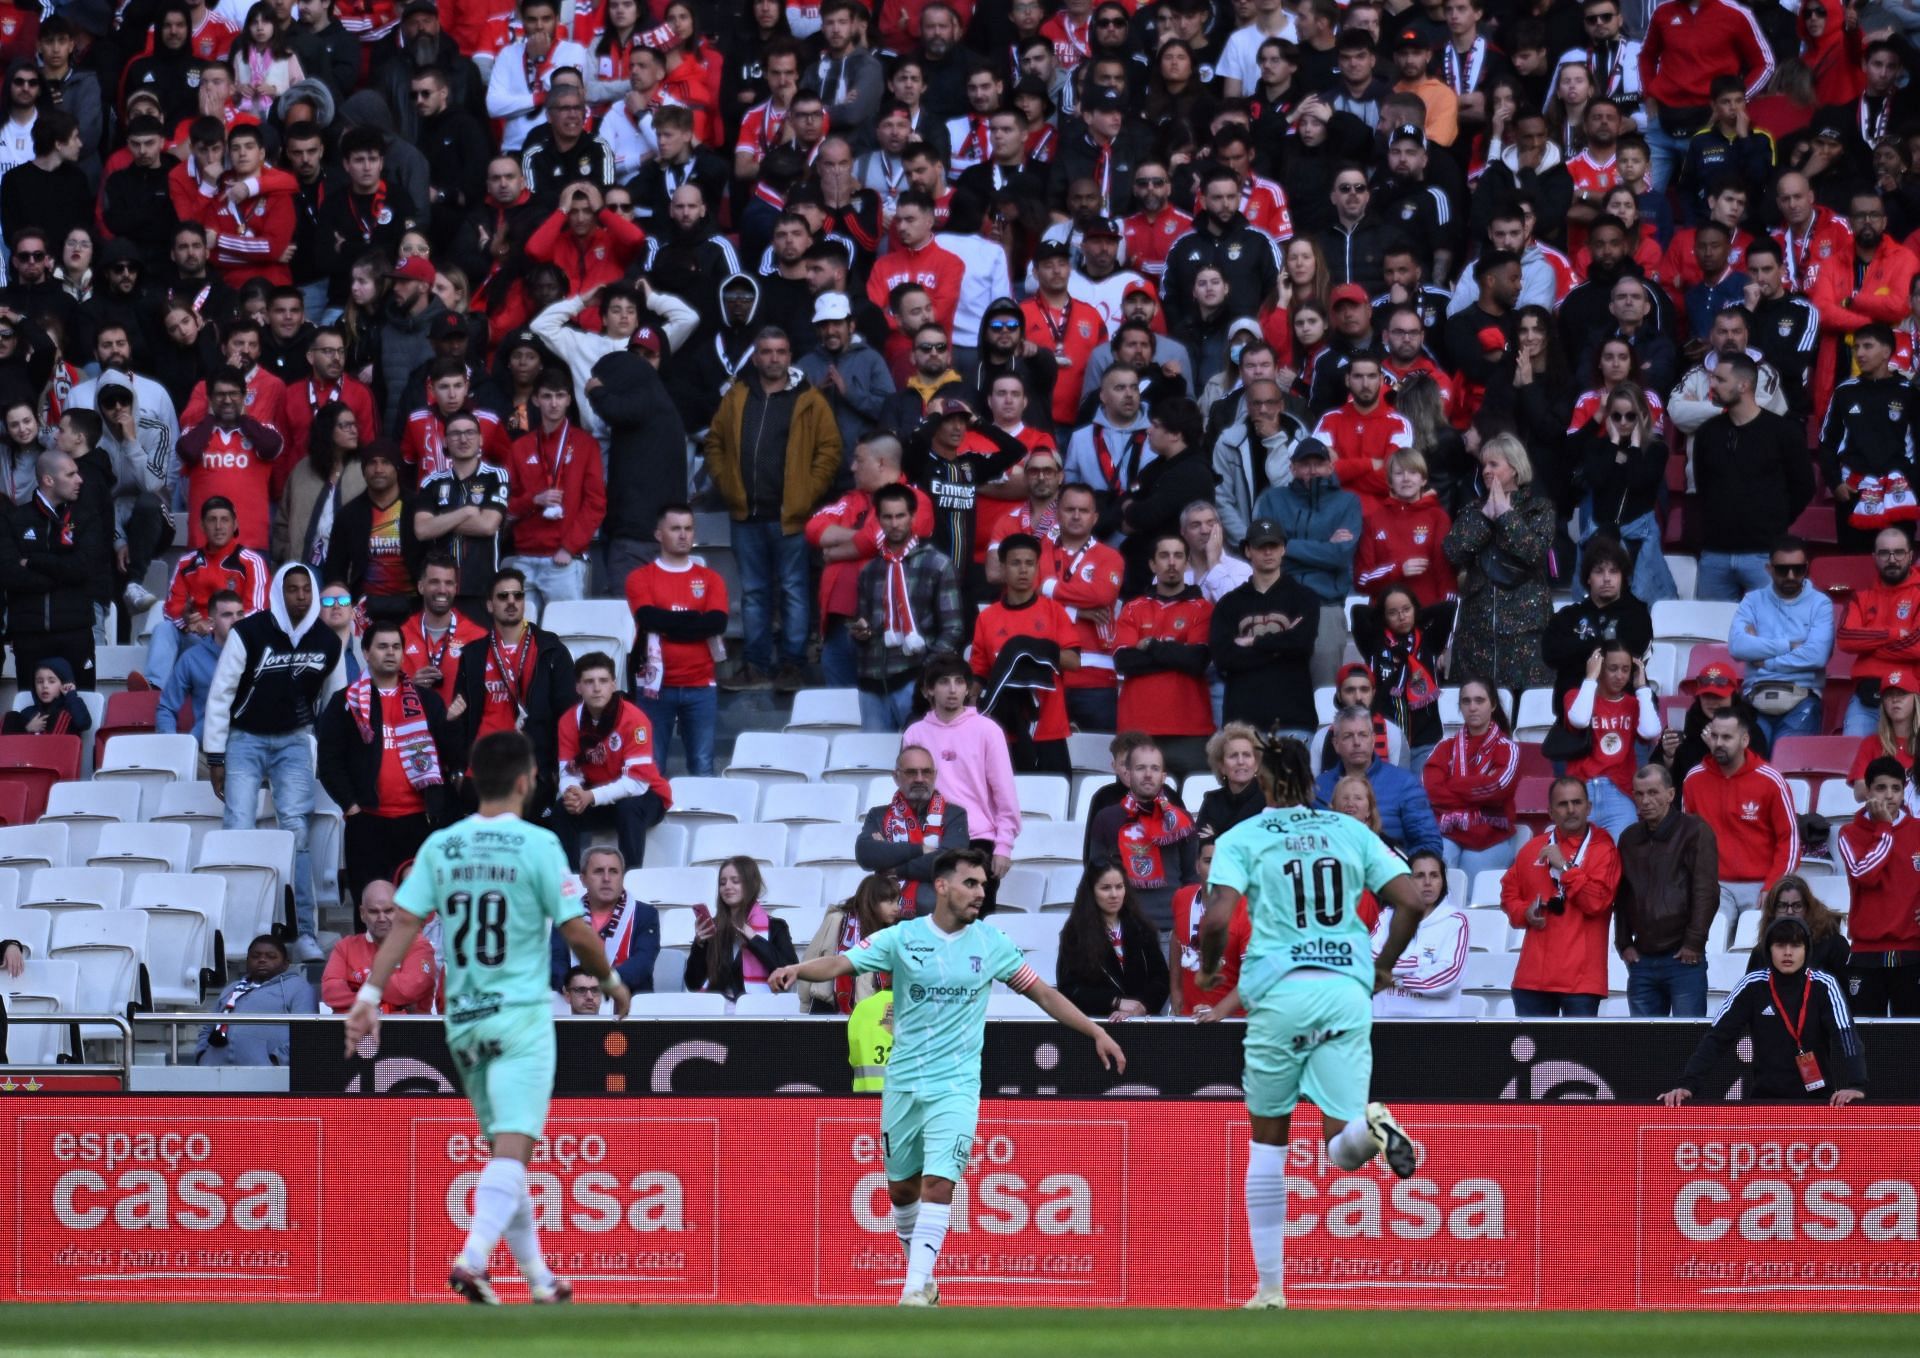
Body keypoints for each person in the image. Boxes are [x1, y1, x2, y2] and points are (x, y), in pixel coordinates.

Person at [346, 729, 633, 1305]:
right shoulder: (539, 845)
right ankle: (473, 1259)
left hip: (464, 1020)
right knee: (513, 1150)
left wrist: (370, 995)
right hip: (521, 1016)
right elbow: (577, 929)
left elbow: (404, 923)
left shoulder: (443, 845)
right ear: (527, 781)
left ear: (474, 778)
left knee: (508, 1154)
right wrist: (609, 980)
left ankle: (540, 1280)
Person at [770, 848, 1125, 1306]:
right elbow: (841, 963)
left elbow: (1042, 992)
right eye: (971, 884)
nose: (980, 893)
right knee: (902, 1190)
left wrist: (1095, 1031)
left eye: (983, 884)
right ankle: (921, 1275)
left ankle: (915, 1287)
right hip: (902, 1082)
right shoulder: (903, 938)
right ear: (942, 886)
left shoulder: (991, 943)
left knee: (940, 1183)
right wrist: (798, 967)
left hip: (956, 1085)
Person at [1196, 736, 1424, 1310]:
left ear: (1266, 782)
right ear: (1314, 783)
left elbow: (1217, 917)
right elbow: (1412, 900)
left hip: (1279, 993)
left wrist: (1208, 971)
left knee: (1268, 1142)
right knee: (1340, 1145)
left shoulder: (1241, 837)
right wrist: (1383, 965)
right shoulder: (1350, 831)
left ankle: (1270, 1289)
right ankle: (1370, 1126)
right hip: (1345, 990)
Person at [204, 564, 343, 963]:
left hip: (295, 741)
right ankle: (236, 931)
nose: (299, 596)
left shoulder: (327, 641)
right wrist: (216, 755)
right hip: (244, 738)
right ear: (279, 593)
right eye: (292, 589)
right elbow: (220, 694)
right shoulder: (249, 633)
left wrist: (328, 750)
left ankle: (304, 933)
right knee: (238, 828)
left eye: (305, 590)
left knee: (296, 832)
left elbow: (337, 702)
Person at [705, 328, 842, 690]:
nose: (773, 358)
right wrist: (727, 485)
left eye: (781, 351)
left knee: (795, 591)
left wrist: (806, 494)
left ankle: (793, 664)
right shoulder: (737, 396)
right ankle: (756, 664)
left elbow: (829, 451)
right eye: (766, 352)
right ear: (755, 357)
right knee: (753, 593)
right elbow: (715, 442)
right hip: (745, 514)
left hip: (790, 517)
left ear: (790, 355)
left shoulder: (809, 399)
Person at [315, 618, 455, 904]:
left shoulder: (427, 701)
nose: (390, 653)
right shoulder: (346, 702)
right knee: (370, 911)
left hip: (419, 821)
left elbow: (450, 756)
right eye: (382, 647)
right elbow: (329, 760)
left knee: (421, 911)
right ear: (366, 653)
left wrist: (453, 725)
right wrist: (351, 806)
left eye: (395, 647)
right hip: (368, 822)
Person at [1661, 915, 1865, 1108]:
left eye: (1795, 945)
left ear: (1806, 950)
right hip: (1764, 1100)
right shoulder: (1752, 984)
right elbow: (1717, 1037)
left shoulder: (1824, 984)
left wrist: (1856, 1085)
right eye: (1780, 945)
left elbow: (1846, 1035)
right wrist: (1687, 1084)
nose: (1787, 952)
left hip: (1818, 1102)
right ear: (1768, 950)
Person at [451, 568, 575, 820]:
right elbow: (461, 716)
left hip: (531, 769)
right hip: (481, 771)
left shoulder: (551, 651)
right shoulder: (473, 655)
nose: (511, 602)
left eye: (517, 596)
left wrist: (553, 771)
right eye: (503, 596)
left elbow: (569, 714)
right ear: (489, 604)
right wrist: (458, 774)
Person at [1692, 354, 1814, 602]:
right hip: (1715, 554)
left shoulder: (1783, 432)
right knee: (1709, 635)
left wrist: (1773, 521)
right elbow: (1703, 487)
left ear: (1744, 385)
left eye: (1720, 379)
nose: (1712, 385)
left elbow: (1804, 486)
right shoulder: (1707, 433)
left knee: (1771, 632)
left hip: (1763, 554)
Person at [1500, 776, 1622, 1017]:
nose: (1571, 810)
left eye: (1577, 802)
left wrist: (1564, 868)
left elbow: (1597, 902)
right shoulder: (1532, 849)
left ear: (1589, 807)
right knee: (1531, 1054)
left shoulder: (1604, 849)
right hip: (1532, 978)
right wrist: (1523, 912)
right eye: (1563, 804)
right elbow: (1508, 894)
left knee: (1575, 1054)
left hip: (1581, 982)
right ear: (1550, 812)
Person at [1443, 433, 1556, 690]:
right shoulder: (1473, 510)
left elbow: (1534, 552)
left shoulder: (1538, 508)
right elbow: (1453, 552)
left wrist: (1505, 515)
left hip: (1524, 634)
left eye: (1494, 464)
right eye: (1484, 465)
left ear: (1515, 469)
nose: (1486, 471)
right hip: (1477, 634)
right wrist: (1485, 517)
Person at [901, 653, 1021, 892]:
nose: (953, 689)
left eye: (959, 682)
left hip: (977, 841)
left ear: (968, 689)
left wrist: (1003, 846)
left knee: (975, 922)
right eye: (944, 682)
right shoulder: (914, 733)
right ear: (929, 691)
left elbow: (1005, 794)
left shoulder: (988, 730)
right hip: (928, 841)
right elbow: (907, 791)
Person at [624, 504, 728, 777]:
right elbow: (647, 618)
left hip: (701, 685)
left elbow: (717, 623)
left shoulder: (711, 579)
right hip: (654, 687)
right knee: (651, 767)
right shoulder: (640, 577)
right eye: (675, 529)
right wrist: (695, 621)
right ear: (659, 534)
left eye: (688, 528)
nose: (683, 535)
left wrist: (668, 623)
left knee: (703, 765)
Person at [849, 484, 964, 731]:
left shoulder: (937, 564)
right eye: (887, 517)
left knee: (920, 760)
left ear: (912, 517)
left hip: (914, 679)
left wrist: (927, 672)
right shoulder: (869, 571)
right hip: (871, 682)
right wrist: (860, 632)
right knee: (874, 763)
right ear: (878, 519)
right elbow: (861, 624)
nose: (894, 523)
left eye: (900, 515)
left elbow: (953, 628)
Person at [1250, 436, 1362, 688]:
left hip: (1325, 605)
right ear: (1292, 468)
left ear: (1330, 467)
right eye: (1305, 464)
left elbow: (1340, 555)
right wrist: (1323, 546)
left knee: (1324, 690)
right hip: (1278, 602)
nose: (1312, 470)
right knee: (1275, 687)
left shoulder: (1348, 501)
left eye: (1318, 463)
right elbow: (1265, 550)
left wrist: (1287, 546)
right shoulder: (1273, 499)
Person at [969, 534, 1080, 773]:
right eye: (1015, 563)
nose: (1023, 570)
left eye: (1029, 563)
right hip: (1003, 730)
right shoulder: (987, 618)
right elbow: (979, 674)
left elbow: (1073, 661)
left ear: (1038, 567)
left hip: (1048, 727)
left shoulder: (1054, 611)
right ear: (1002, 567)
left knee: (1053, 799)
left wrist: (1031, 650)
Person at [1614, 764, 1718, 1017]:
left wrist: (1694, 942)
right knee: (1645, 1048)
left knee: (1685, 1043)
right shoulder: (1629, 838)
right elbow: (1623, 894)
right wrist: (1624, 943)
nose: (1645, 801)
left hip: (1684, 959)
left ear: (1671, 794)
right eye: (1639, 794)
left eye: (1653, 792)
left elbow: (1706, 891)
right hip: (1642, 960)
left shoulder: (1694, 830)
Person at [553, 652, 672, 870]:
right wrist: (573, 793)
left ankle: (631, 878)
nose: (597, 688)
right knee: (562, 809)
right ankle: (570, 882)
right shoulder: (569, 720)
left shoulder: (634, 719)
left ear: (614, 685)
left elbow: (637, 783)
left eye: (603, 681)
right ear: (578, 687)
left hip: (646, 796)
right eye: (589, 682)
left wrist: (590, 796)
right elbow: (568, 770)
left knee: (628, 808)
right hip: (597, 795)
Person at [502, 368, 607, 613]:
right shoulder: (520, 448)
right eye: (547, 396)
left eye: (560, 396)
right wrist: (534, 500)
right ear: (536, 400)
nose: (553, 403)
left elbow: (596, 503)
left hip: (564, 559)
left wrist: (570, 547)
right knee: (521, 636)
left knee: (566, 634)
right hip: (524, 557)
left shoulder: (585, 444)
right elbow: (504, 504)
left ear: (569, 399)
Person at [1683, 709, 1800, 921]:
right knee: (1709, 940)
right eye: (1715, 736)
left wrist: (1774, 885)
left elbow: (1789, 839)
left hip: (1761, 885)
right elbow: (1685, 840)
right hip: (1713, 884)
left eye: (1727, 737)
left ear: (1745, 740)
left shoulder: (1771, 780)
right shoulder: (1693, 780)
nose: (1719, 743)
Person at [1112, 534, 1214, 777]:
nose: (1171, 562)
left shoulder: (1203, 608)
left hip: (1189, 727)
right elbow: (1124, 661)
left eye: (1178, 556)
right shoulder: (1133, 608)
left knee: (1191, 805)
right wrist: (1176, 652)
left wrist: (1150, 645)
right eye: (1164, 555)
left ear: (1187, 563)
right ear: (1152, 564)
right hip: (1137, 726)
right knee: (1134, 805)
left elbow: (1196, 661)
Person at [1209, 516, 1320, 737]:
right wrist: (1280, 648)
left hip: (1294, 719)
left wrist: (1254, 642)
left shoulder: (1305, 598)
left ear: (1283, 550)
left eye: (1274, 545)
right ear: (1248, 551)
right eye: (1261, 546)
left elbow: (1302, 644)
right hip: (1242, 723)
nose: (1268, 552)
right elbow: (1224, 657)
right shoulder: (1229, 604)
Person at [6, 450, 104, 691]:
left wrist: (35, 561)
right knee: (31, 714)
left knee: (81, 709)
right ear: (49, 480)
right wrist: (63, 574)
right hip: (29, 635)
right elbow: (9, 574)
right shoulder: (15, 520)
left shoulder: (86, 518)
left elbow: (83, 569)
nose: (79, 479)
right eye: (70, 474)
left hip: (75, 632)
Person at [1834, 756, 1920, 1016]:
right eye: (1881, 788)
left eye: (1896, 788)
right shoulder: (1848, 833)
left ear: (1904, 791)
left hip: (1913, 950)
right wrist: (1884, 827)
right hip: (1866, 953)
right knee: (1868, 1039)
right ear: (1868, 792)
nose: (1889, 796)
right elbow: (1865, 874)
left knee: (1913, 1037)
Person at [1729, 534, 1833, 743]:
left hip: (1801, 698)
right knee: (1754, 768)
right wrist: (1788, 645)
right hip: (1755, 697)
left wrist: (1765, 659)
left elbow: (1817, 656)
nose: (1791, 575)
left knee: (1786, 767)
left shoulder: (1821, 604)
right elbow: (1738, 646)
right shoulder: (1752, 600)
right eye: (1782, 570)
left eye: (1799, 569)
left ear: (1807, 567)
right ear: (1769, 569)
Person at [1088, 741, 1199, 936]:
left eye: (1155, 768)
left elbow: (1192, 877)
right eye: (1140, 768)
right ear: (1128, 774)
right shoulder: (1106, 819)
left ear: (1163, 776)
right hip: (1124, 927)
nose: (1148, 774)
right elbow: (1094, 875)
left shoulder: (1182, 820)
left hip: (1172, 927)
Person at [414, 411, 511, 621]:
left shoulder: (496, 476)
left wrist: (439, 520)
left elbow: (487, 525)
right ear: (446, 441)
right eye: (456, 434)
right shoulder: (431, 482)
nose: (463, 439)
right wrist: (466, 512)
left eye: (470, 432)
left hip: (481, 585)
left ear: (481, 439)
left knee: (478, 651)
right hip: (439, 586)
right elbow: (421, 530)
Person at [1424, 678, 1524, 878]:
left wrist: (1451, 784)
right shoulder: (1445, 747)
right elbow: (1430, 791)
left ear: (1493, 704)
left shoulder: (1508, 748)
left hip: (1491, 835)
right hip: (1449, 832)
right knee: (1438, 861)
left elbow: (1497, 788)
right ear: (1460, 706)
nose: (1473, 707)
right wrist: (1479, 788)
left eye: (1480, 701)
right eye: (1466, 701)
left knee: (1472, 870)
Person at [856, 747, 971, 919]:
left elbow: (950, 862)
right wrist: (920, 850)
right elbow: (865, 854)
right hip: (885, 912)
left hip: (935, 914)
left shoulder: (954, 814)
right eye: (911, 772)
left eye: (926, 772)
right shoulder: (878, 815)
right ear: (896, 777)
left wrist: (896, 864)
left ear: (935, 775)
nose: (919, 779)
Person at [1560, 640, 1661, 836]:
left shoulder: (1633, 703)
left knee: (1621, 858)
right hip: (1581, 791)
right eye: (1612, 668)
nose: (1620, 676)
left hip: (1619, 793)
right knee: (1580, 860)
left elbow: (1650, 732)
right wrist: (1590, 677)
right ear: (1599, 666)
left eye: (1625, 669)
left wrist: (1641, 687)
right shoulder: (1576, 696)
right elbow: (1580, 720)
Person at [1313, 706, 1443, 854]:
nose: (1356, 742)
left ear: (1373, 739)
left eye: (1363, 735)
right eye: (1348, 736)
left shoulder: (1404, 783)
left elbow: (1429, 842)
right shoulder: (1318, 788)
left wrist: (1400, 868)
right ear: (1336, 744)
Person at [1350, 587, 1453, 770]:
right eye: (1393, 613)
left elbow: (1448, 609)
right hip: (1387, 738)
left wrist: (1418, 615)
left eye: (1406, 609)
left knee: (1419, 793)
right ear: (1384, 617)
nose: (1401, 616)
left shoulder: (1429, 641)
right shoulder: (1374, 642)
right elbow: (1358, 612)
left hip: (1425, 738)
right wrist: (1383, 617)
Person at [1056, 861, 1172, 1019]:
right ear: (1091, 891)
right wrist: (1114, 1001)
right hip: (1096, 1026)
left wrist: (1142, 1006)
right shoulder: (1075, 934)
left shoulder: (1142, 928)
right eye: (1105, 888)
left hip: (1141, 1025)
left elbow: (1161, 978)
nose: (1114, 894)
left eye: (1119, 886)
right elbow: (1069, 988)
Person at [1836, 527, 1920, 737]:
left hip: (1913, 695)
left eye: (1899, 552)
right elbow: (1846, 638)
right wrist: (1893, 635)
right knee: (1853, 761)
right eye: (1884, 553)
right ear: (1874, 557)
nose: (1892, 559)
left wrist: (1869, 647)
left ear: (1911, 555)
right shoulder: (1860, 598)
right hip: (1867, 698)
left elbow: (1917, 646)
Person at [548, 844, 661, 999]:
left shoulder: (645, 914)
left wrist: (601, 985)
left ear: (622, 878)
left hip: (630, 1008)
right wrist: (572, 986)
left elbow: (643, 963)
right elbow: (556, 961)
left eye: (613, 872)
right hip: (573, 1005)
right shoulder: (566, 914)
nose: (607, 878)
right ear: (583, 879)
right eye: (598, 871)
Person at [1371, 849, 1473, 1017]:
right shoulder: (1386, 916)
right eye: (1419, 875)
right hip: (1386, 1020)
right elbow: (1370, 959)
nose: (1427, 882)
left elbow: (1449, 975)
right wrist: (1417, 962)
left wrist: (1395, 979)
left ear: (1442, 881)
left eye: (1434, 875)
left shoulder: (1456, 922)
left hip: (1434, 1024)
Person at [684, 857, 799, 999]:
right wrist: (699, 945)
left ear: (751, 884)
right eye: (722, 883)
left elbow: (788, 975)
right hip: (719, 1012)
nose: (727, 887)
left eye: (735, 881)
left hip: (760, 1011)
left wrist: (755, 939)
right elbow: (693, 983)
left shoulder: (776, 927)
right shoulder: (713, 929)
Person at [320, 882, 439, 1015]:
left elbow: (409, 989)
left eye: (388, 911)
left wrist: (362, 984)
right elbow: (331, 992)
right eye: (373, 911)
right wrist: (391, 1004)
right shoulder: (344, 947)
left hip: (409, 1033)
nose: (382, 918)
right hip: (358, 1033)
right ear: (362, 913)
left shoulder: (417, 944)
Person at [197, 935, 317, 1066]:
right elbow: (207, 1027)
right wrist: (202, 1055)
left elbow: (306, 1032)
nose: (262, 960)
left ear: (285, 964)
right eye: (255, 956)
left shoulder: (298, 987)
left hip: (266, 1076)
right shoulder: (232, 987)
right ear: (247, 961)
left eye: (271, 956)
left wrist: (277, 1060)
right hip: (215, 1072)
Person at [798, 872, 904, 1015]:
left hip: (869, 1012)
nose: (896, 908)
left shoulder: (891, 934)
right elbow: (812, 958)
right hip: (828, 1007)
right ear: (872, 901)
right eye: (890, 902)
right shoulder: (836, 920)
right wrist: (805, 1005)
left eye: (897, 901)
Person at [158, 591, 245, 742]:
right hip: (206, 750)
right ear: (211, 622)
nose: (235, 620)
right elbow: (166, 709)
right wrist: (170, 746)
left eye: (240, 614)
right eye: (227, 615)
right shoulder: (192, 659)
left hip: (252, 750)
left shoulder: (260, 654)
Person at [3, 659, 89, 736]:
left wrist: (71, 695)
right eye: (40, 682)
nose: (45, 686)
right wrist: (28, 729)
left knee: (62, 715)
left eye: (51, 681)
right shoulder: (28, 712)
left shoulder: (71, 710)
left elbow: (83, 723)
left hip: (59, 751)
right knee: (11, 717)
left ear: (64, 683)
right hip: (29, 751)